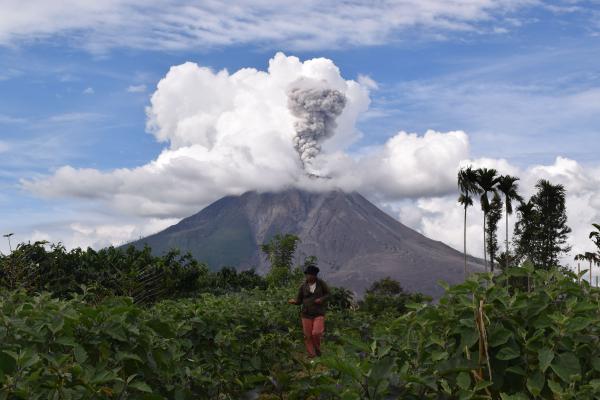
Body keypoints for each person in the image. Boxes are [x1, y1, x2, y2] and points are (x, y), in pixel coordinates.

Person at [288, 265, 330, 358]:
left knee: (316, 333)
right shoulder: (303, 286)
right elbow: (299, 301)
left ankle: (317, 349)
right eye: (307, 275)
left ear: (315, 275)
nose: (308, 277)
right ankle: (312, 355)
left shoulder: (321, 284)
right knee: (307, 336)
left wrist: (321, 299)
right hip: (306, 314)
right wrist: (293, 302)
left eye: (310, 275)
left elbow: (328, 294)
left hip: (318, 313)